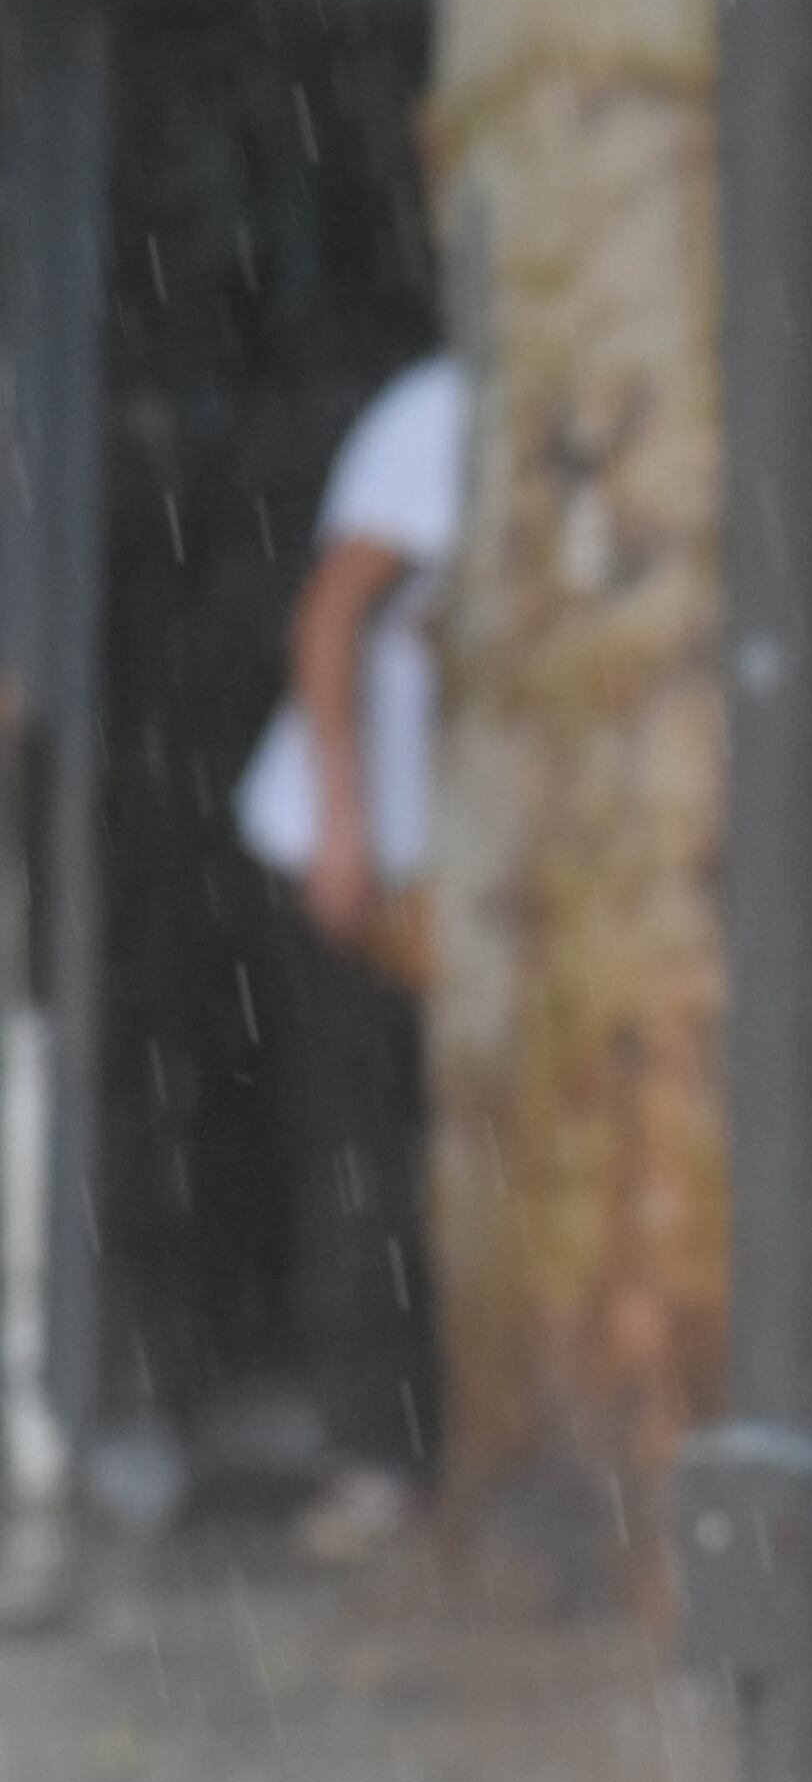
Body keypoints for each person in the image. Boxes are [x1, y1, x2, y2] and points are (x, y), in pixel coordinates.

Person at [232, 349, 465, 1559]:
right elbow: (330, 613)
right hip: (358, 851)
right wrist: (343, 823)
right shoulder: (439, 413)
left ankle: (446, 1433)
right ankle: (375, 1452)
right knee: (360, 1150)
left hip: (468, 877)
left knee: (449, 1144)